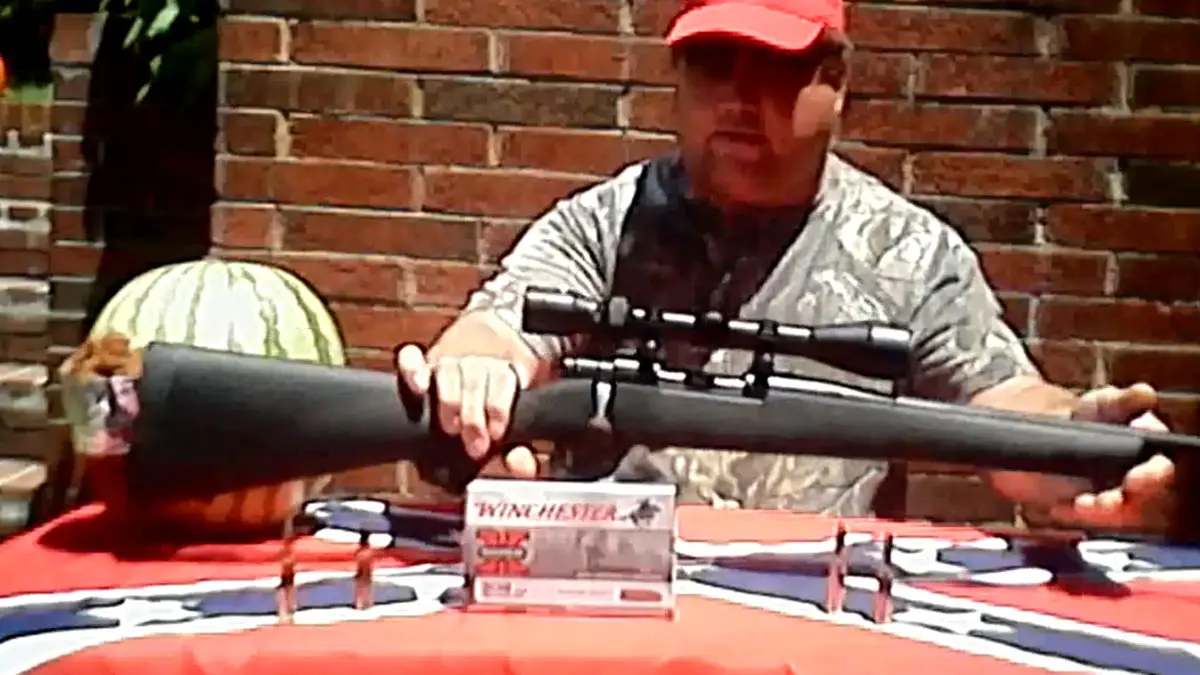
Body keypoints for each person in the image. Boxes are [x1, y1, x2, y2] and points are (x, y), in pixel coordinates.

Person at [397, 0, 1178, 532]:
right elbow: (498, 330)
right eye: (714, 63)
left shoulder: (910, 253)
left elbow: (1003, 405)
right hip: (614, 601)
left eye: (773, 65)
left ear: (834, 82)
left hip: (816, 617)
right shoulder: (605, 222)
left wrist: (1077, 441)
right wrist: (473, 375)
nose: (739, 96)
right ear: (677, 77)